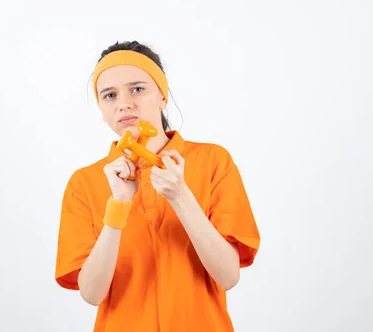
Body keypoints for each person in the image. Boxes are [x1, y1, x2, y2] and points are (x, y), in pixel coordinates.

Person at [55, 40, 260, 331]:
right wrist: (118, 207)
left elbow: (228, 276)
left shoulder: (213, 161)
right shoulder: (84, 182)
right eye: (110, 95)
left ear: (162, 96)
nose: (124, 102)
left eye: (137, 89)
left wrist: (181, 196)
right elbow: (91, 293)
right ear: (102, 110)